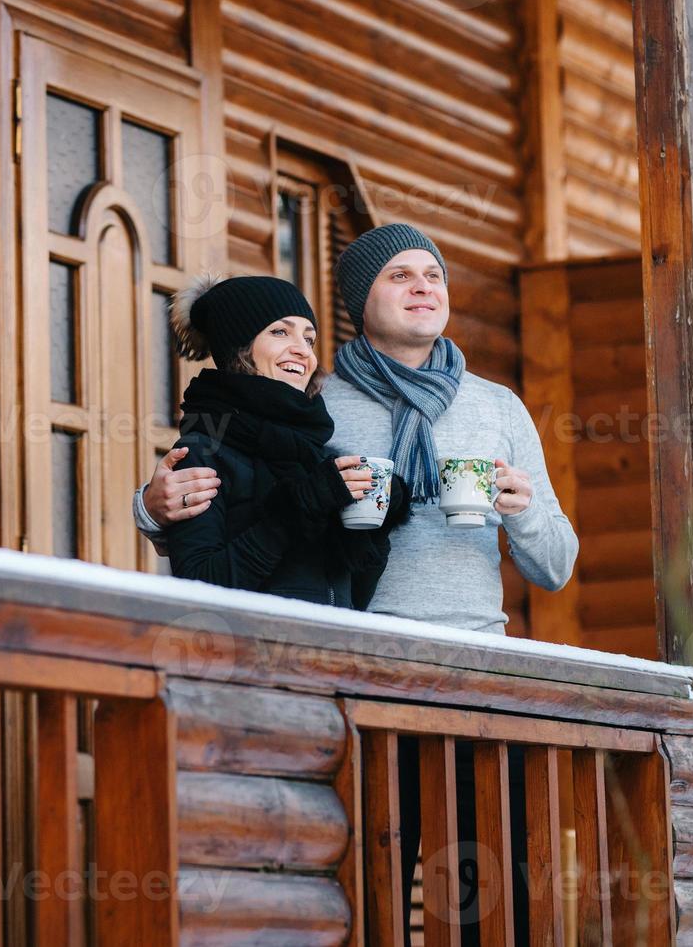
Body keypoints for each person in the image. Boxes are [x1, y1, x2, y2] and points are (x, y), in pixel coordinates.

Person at [135, 224, 579, 942]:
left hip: (476, 676)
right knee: (365, 891)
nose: (423, 287)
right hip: (356, 674)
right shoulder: (316, 403)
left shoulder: (498, 409)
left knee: (495, 896)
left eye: (432, 274)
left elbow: (555, 565)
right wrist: (148, 507)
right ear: (358, 302)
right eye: (399, 275)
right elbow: (210, 471)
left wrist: (524, 516)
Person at [159, 273, 409, 609]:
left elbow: (353, 599)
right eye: (280, 332)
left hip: (330, 656)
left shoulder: (318, 455)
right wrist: (295, 512)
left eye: (309, 339)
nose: (302, 351)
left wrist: (373, 529)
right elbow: (200, 589)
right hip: (251, 657)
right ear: (240, 347)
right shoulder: (204, 451)